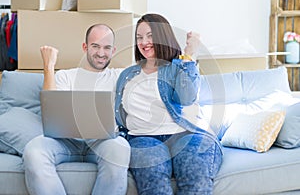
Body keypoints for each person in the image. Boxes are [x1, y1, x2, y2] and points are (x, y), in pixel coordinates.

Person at [114, 14, 223, 195]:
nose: (144, 42)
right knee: (154, 185)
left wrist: (190, 54)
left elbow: (186, 98)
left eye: (150, 35)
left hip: (186, 135)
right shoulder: (127, 75)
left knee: (195, 181)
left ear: (162, 36)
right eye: (139, 37)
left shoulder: (177, 68)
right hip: (142, 138)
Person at [23, 24, 131, 195]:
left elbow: (151, 71)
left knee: (120, 148)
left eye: (107, 47)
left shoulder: (120, 76)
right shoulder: (66, 76)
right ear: (85, 47)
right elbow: (50, 108)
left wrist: (187, 53)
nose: (101, 53)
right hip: (65, 142)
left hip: (103, 142)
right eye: (95, 46)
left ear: (113, 50)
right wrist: (49, 65)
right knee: (33, 150)